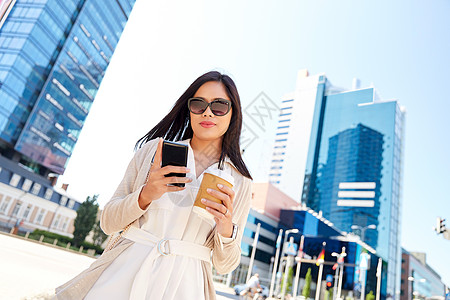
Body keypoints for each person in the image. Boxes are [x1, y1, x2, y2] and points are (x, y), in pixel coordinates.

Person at [55, 71, 253, 300]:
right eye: (198, 104)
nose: (207, 112)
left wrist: (226, 228)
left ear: (233, 113)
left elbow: (226, 265)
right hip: (123, 275)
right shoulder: (153, 151)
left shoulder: (239, 180)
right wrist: (145, 195)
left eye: (219, 106)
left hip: (186, 287)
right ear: (189, 110)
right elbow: (108, 222)